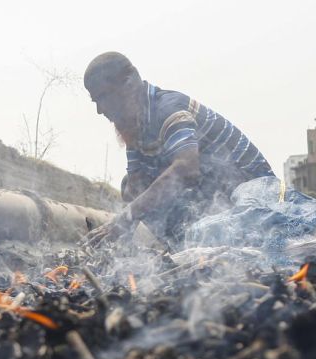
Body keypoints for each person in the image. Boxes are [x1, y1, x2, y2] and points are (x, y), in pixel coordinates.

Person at [83, 52, 275, 248]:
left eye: (104, 96)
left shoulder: (169, 109)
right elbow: (135, 188)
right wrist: (121, 237)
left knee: (175, 180)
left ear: (130, 82)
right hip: (213, 198)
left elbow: (186, 169)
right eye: (95, 101)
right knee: (130, 188)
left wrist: (124, 219)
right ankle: (188, 251)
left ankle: (207, 248)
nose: (100, 109)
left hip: (255, 200)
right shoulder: (136, 127)